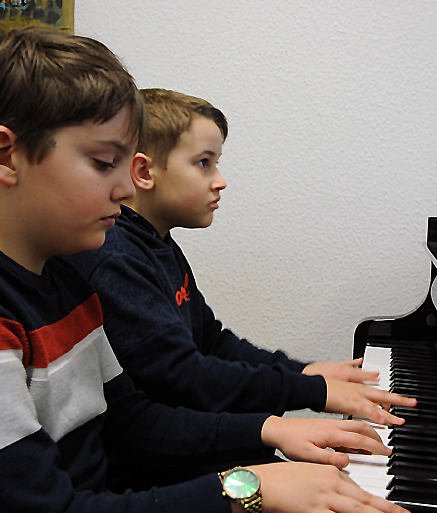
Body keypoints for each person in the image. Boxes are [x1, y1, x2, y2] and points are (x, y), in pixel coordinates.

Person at [0, 25, 411, 513]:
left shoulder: (61, 272)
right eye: (104, 163)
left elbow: (133, 426)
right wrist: (249, 487)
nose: (127, 187)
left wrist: (272, 433)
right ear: (5, 156)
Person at [63, 88, 416, 428]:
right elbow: (184, 377)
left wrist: (304, 372)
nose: (220, 181)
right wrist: (313, 391)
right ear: (144, 173)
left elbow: (211, 341)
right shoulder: (116, 258)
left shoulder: (157, 243)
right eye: (203, 163)